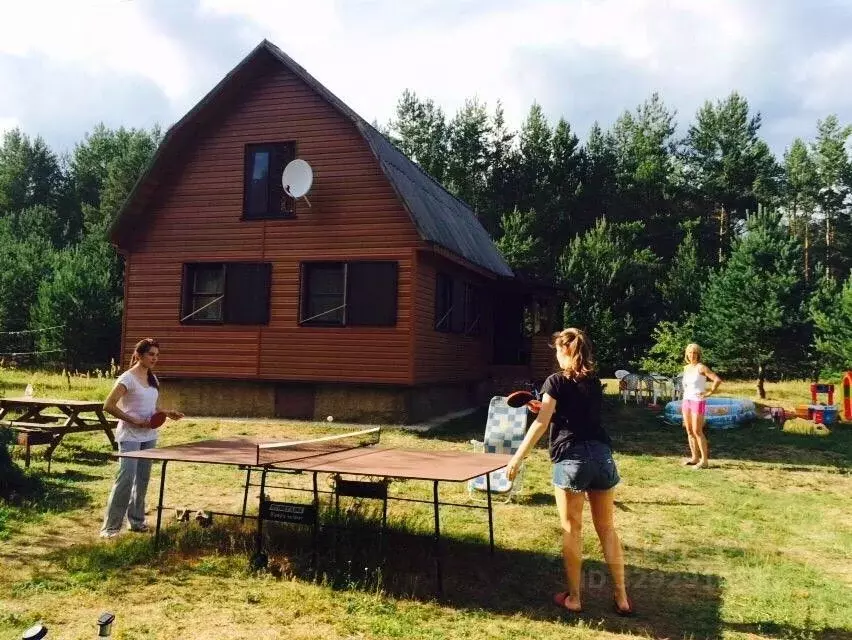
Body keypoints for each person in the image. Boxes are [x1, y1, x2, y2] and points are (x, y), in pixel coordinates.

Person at [506, 328, 632, 616]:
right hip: (602, 457)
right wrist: (548, 409)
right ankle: (622, 597)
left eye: (557, 351)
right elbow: (577, 414)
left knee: (572, 529)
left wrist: (517, 457)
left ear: (566, 351)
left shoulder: (555, 381)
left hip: (572, 460)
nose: (556, 356)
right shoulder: (595, 382)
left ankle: (574, 598)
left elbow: (541, 423)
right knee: (607, 529)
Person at [100, 338, 183, 538]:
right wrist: (134, 421)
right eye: (150, 354)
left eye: (157, 355)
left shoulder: (153, 379)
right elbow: (108, 405)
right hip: (129, 436)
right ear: (139, 355)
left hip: (149, 437)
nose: (154, 358)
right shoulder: (126, 379)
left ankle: (136, 522)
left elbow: (150, 408)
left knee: (142, 480)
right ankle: (110, 528)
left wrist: (166, 412)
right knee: (125, 480)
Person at [681, 343, 721, 469]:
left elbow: (717, 379)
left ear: (698, 355)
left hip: (698, 401)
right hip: (686, 400)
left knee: (697, 431)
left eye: (695, 353)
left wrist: (709, 392)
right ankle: (694, 458)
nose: (692, 355)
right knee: (689, 431)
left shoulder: (701, 367)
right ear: (687, 354)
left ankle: (704, 461)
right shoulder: (686, 368)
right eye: (690, 352)